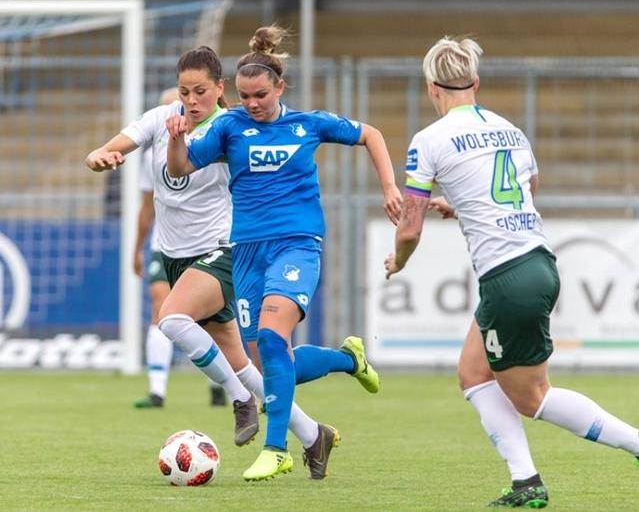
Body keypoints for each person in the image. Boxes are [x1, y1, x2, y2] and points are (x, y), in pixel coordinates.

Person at [87, 45, 368, 480]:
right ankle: (315, 435)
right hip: (175, 254)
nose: (191, 100)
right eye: (184, 91)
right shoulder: (164, 119)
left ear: (220, 90)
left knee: (171, 319)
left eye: (200, 91)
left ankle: (238, 399)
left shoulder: (232, 127)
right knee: (255, 369)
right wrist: (101, 155)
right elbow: (121, 145)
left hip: (222, 251)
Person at [384, 35, 639, 508]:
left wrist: (397, 263)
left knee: (533, 397)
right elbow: (524, 193)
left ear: (431, 88)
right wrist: (459, 204)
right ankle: (526, 482)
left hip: (507, 277)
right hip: (536, 261)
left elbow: (408, 229)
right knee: (473, 372)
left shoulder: (430, 140)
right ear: (475, 83)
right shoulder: (511, 130)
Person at [166, 26, 403, 481]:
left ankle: (277, 449)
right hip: (247, 253)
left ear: (280, 87)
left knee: (273, 341)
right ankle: (347, 359)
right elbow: (180, 168)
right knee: (268, 363)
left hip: (298, 245)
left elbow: (370, 134)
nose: (252, 104)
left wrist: (389, 187)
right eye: (244, 96)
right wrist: (177, 137)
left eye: (259, 95)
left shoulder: (308, 125)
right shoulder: (229, 128)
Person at [132, 87, 228, 409]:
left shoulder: (214, 143)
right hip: (165, 244)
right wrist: (136, 247)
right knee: (161, 308)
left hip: (206, 243)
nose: (179, 112)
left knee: (206, 319)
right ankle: (157, 389)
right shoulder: (151, 156)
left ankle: (220, 382)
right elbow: (147, 207)